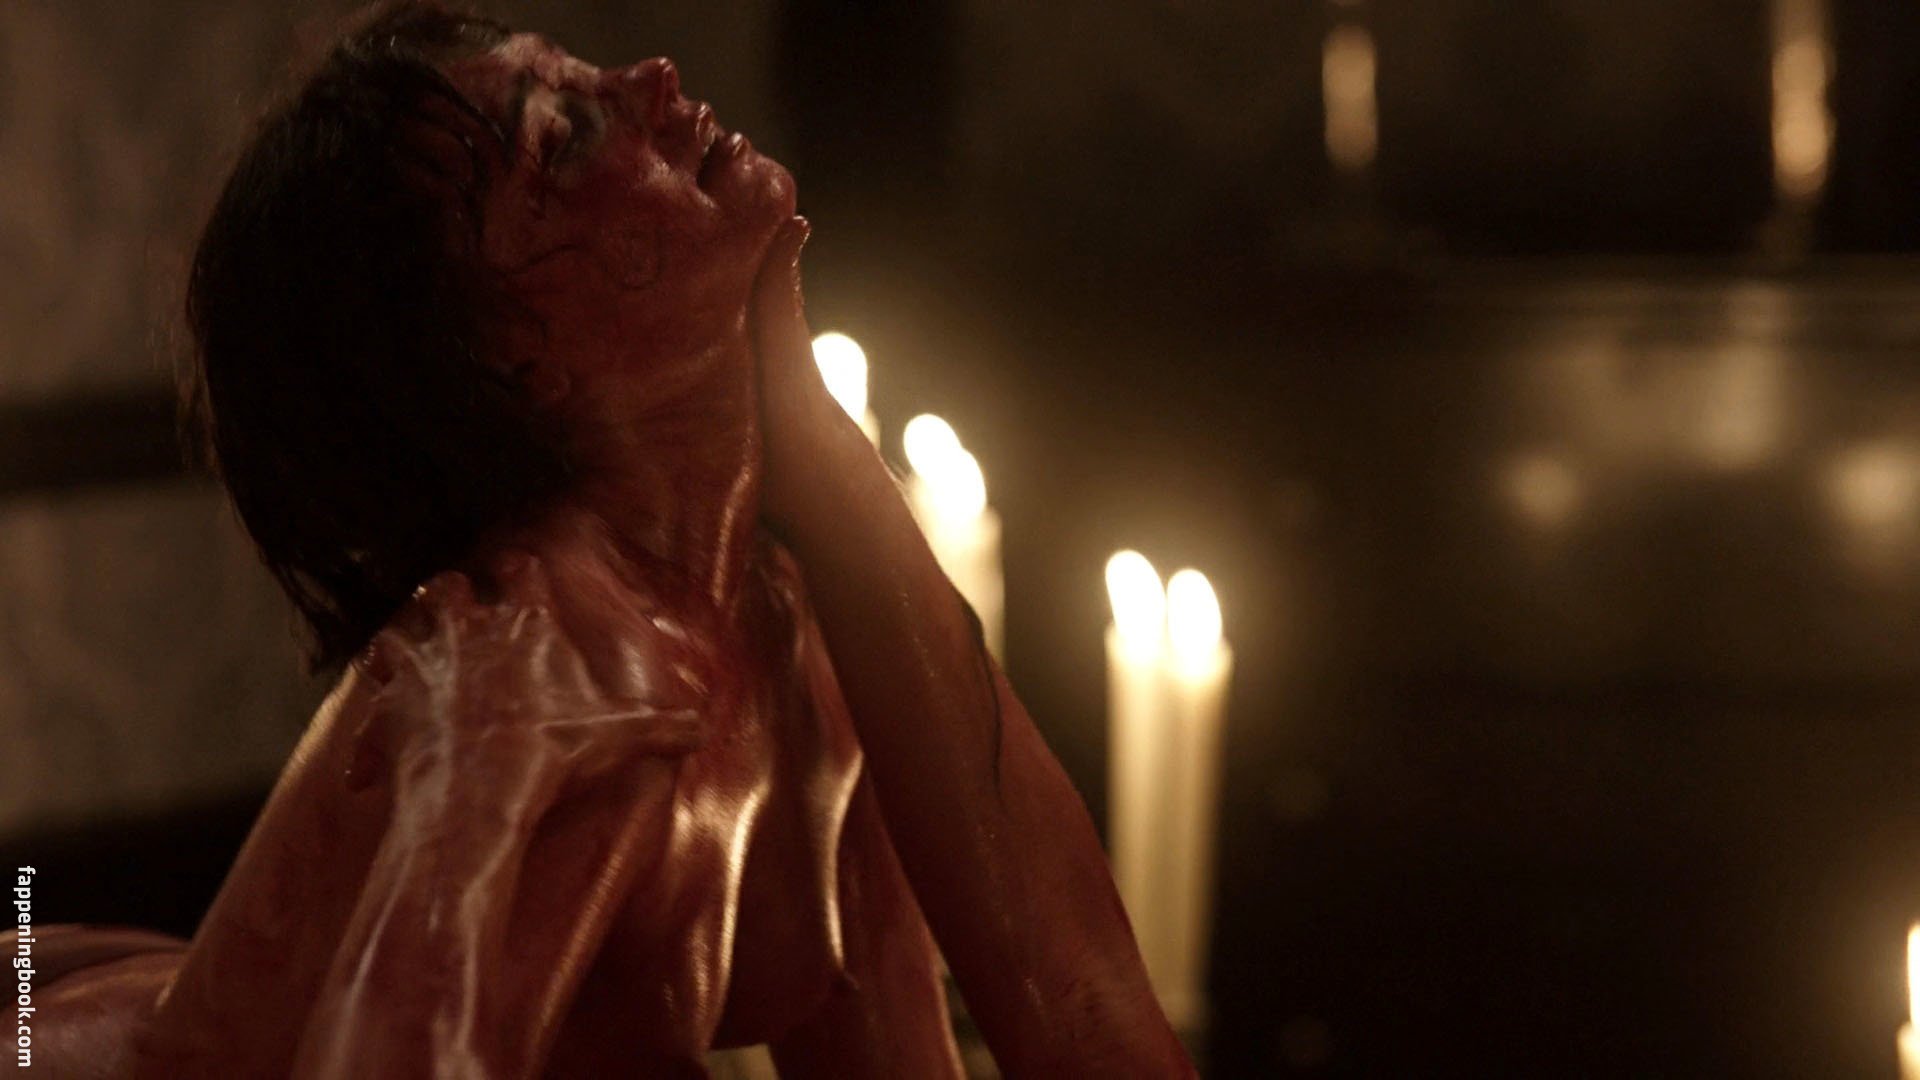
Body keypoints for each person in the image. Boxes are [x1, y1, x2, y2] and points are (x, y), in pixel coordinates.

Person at [13, 4, 1194, 1076]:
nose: (655, 76)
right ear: (509, 356)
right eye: (566, 136)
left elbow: (1062, 1009)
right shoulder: (575, 681)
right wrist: (471, 800)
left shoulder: (796, 633)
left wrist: (827, 459)